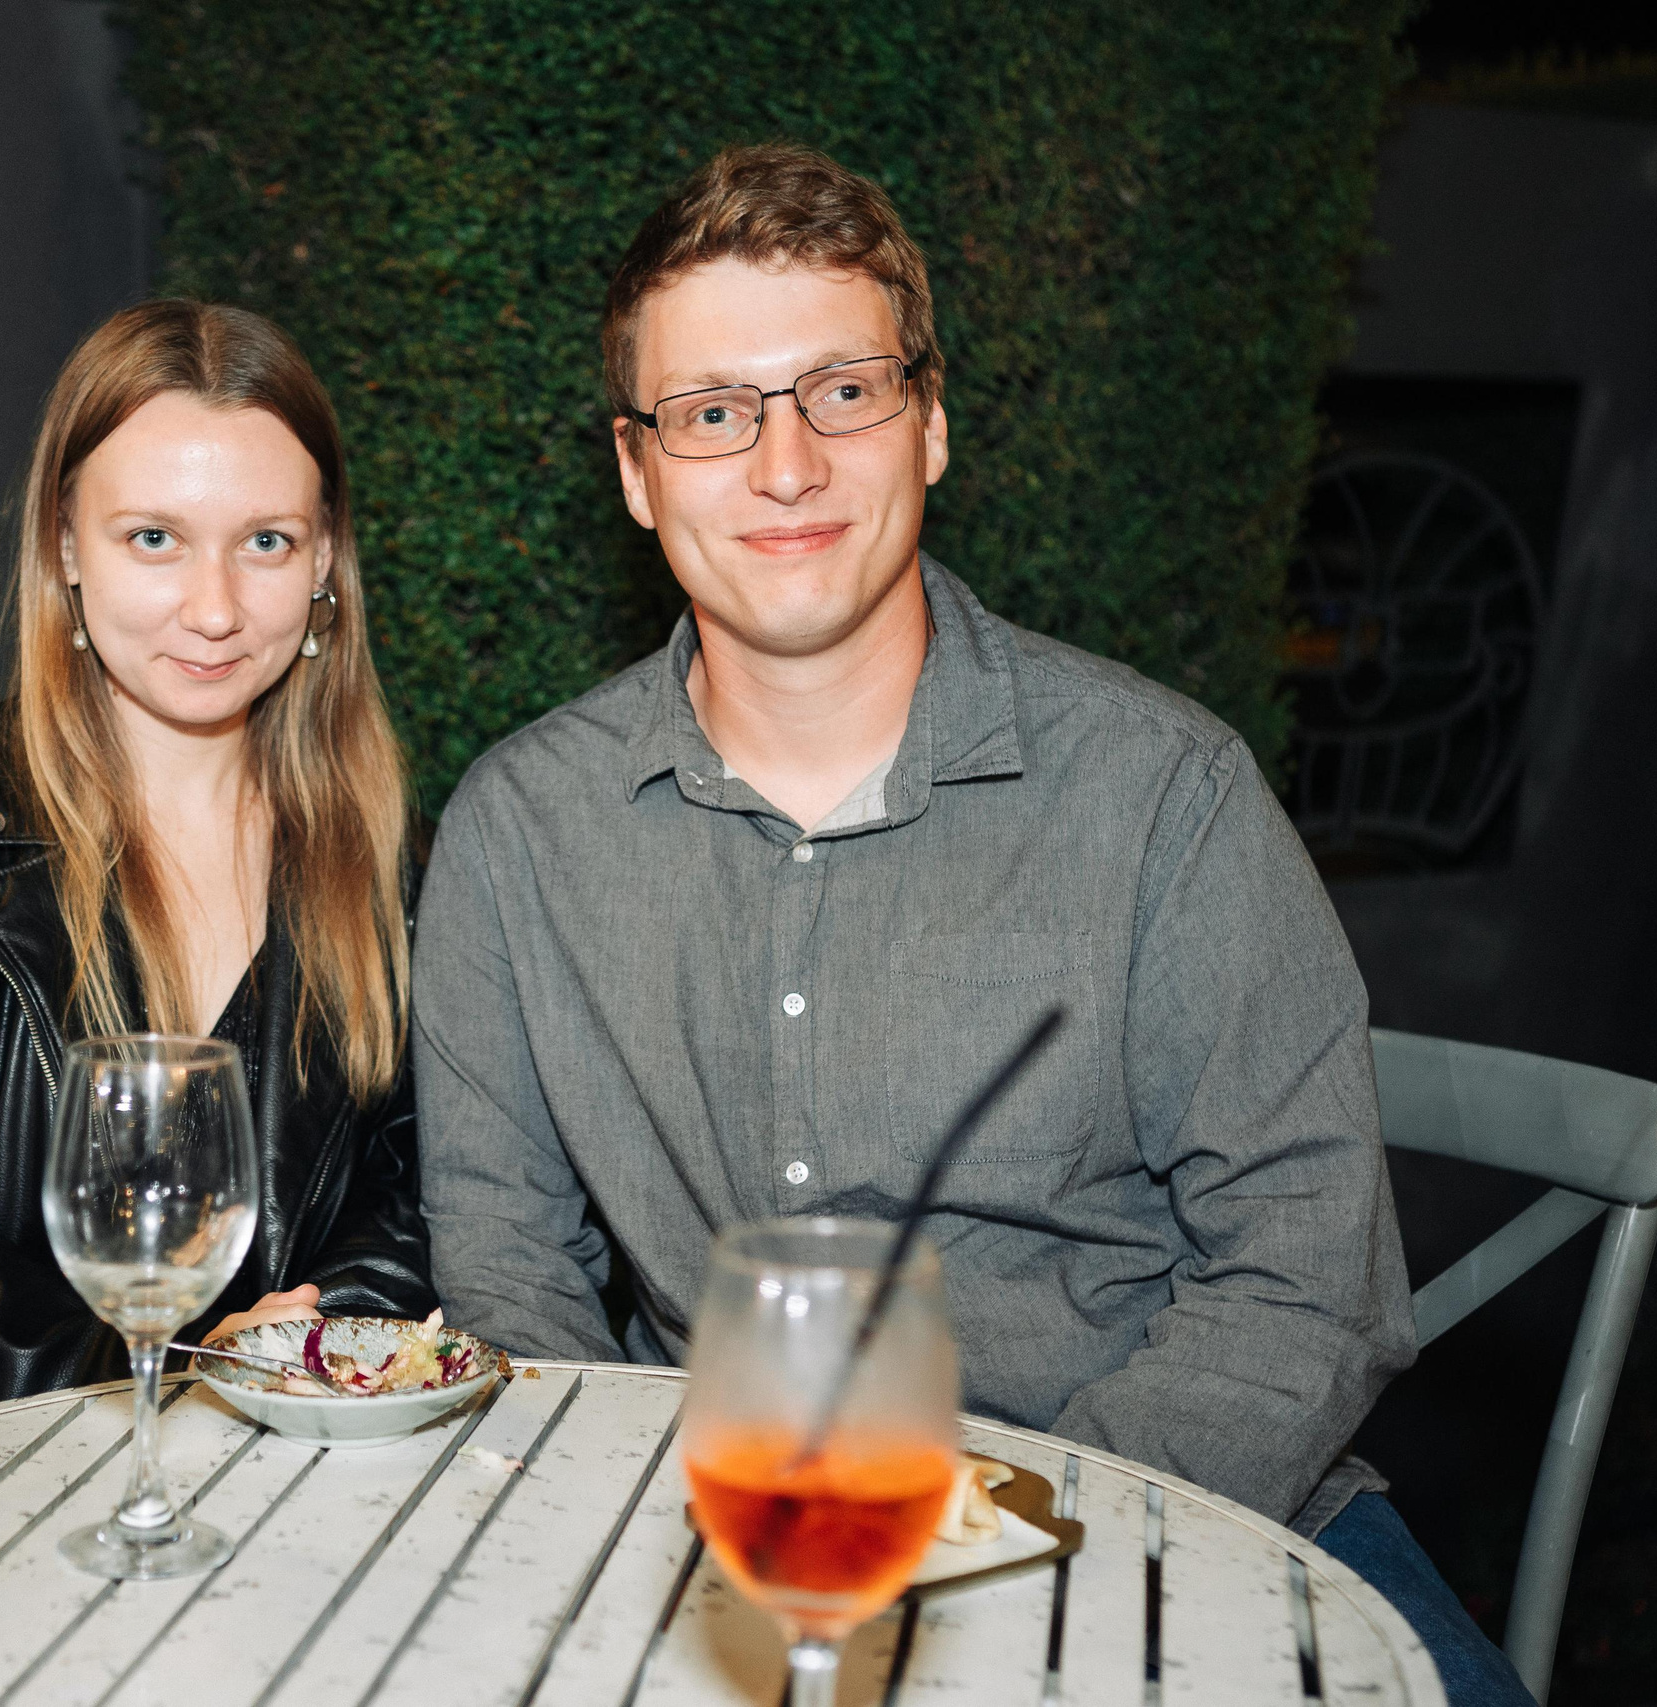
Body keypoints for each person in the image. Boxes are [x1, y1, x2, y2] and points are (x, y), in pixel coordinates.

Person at [412, 145, 1530, 1705]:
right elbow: (509, 1267)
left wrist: (1010, 1543)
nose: (786, 466)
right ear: (637, 470)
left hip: (1182, 1516)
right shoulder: (520, 831)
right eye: (716, 411)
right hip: (728, 1551)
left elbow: (1304, 1279)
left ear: (928, 424)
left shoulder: (1162, 795)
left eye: (843, 392)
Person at [0, 299, 432, 1470]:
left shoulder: (394, 865)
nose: (214, 608)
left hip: (294, 1473)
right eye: (153, 538)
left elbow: (426, 1192)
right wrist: (164, 1377)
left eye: (266, 542)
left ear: (324, 567)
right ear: (64, 548)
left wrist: (301, 1361)